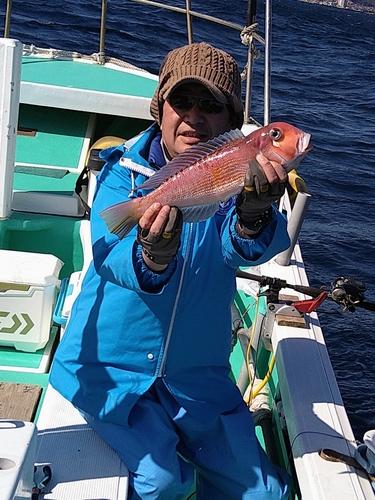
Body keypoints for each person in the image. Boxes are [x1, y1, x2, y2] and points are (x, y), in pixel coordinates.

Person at [50, 42, 291, 499]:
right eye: (181, 101)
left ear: (231, 121)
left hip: (197, 380)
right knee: (160, 482)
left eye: (211, 106)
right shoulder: (124, 173)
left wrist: (254, 214)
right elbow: (109, 254)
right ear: (159, 108)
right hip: (111, 374)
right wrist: (152, 255)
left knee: (264, 492)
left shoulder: (234, 173)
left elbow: (240, 250)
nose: (194, 116)